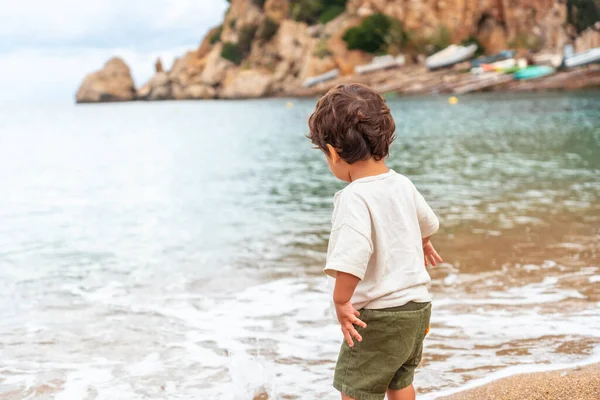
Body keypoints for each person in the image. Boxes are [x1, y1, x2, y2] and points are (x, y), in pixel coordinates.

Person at [307, 84, 442, 400]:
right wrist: (423, 242)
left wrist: (341, 302)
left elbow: (351, 258)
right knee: (399, 378)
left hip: (379, 315)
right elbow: (429, 223)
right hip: (417, 308)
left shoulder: (353, 197)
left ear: (335, 153)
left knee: (356, 388)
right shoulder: (402, 184)